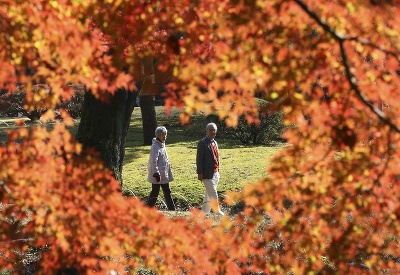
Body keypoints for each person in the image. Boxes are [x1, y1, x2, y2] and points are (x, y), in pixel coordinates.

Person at [196, 122, 224, 216]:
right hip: (207, 174)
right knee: (213, 193)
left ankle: (204, 213)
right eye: (210, 130)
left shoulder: (215, 142)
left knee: (208, 194)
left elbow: (216, 157)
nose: (212, 132)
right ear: (206, 131)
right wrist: (199, 173)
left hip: (215, 173)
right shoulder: (203, 143)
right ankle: (217, 211)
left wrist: (218, 170)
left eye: (214, 130)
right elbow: (199, 159)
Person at [146, 126, 176, 210]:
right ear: (159, 135)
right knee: (155, 192)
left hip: (163, 174)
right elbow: (153, 161)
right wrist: (156, 172)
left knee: (166, 191)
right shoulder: (155, 146)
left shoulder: (162, 145)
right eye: (163, 135)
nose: (165, 136)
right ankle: (149, 209)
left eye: (166, 134)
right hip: (158, 175)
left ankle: (172, 208)